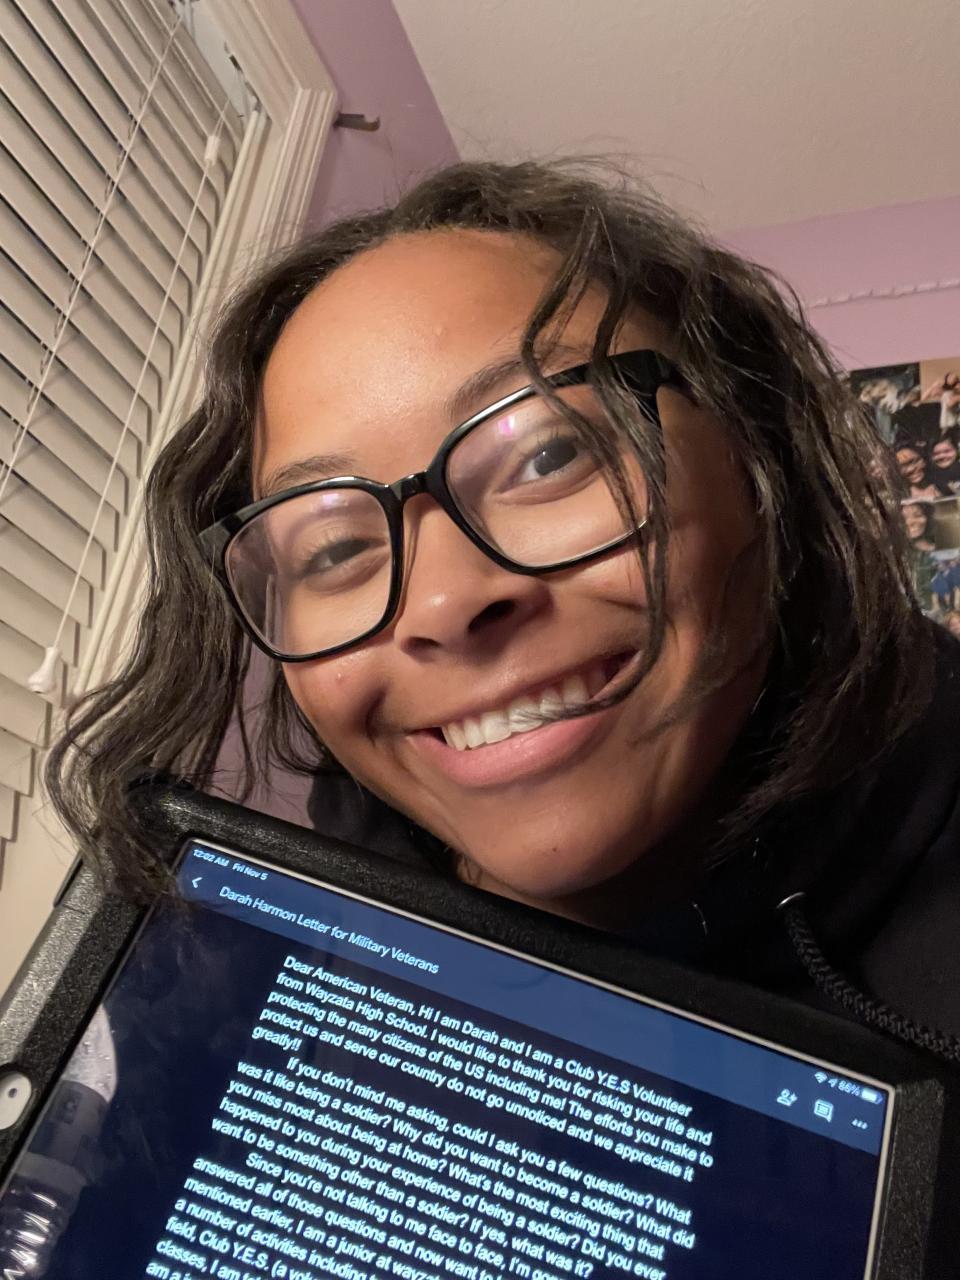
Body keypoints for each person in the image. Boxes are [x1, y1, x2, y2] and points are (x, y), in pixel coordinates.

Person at [47, 161, 960, 1072]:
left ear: (761, 461)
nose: (443, 604)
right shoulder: (277, 972)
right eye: (331, 548)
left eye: (549, 455)